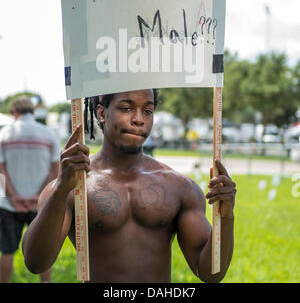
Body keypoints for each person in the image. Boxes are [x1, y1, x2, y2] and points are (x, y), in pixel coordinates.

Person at [22, 89, 236, 283]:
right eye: (126, 108)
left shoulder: (179, 186)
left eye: (148, 111)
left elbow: (211, 273)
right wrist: (60, 189)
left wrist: (225, 217)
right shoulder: (74, 186)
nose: (138, 119)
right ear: (101, 113)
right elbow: (36, 262)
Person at [0, 95, 60, 283]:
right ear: (33, 112)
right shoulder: (49, 133)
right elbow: (55, 169)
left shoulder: (4, 133)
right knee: (43, 253)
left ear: (15, 112)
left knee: (7, 251)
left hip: (9, 204)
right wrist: (38, 197)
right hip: (40, 204)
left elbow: (0, 169)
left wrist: (14, 196)